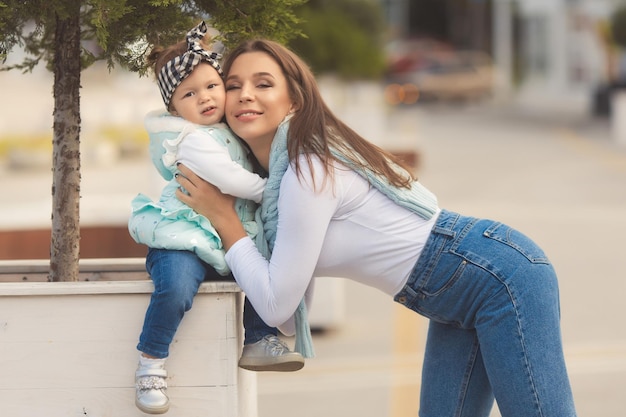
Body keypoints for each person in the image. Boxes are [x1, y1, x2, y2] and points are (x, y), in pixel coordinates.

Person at [174, 38, 579, 417]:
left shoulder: (308, 167)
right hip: (457, 294)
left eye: (263, 83)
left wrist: (224, 219)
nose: (245, 94)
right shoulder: (276, 184)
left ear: (294, 99)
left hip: (499, 276)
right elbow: (285, 311)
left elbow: (277, 304)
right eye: (233, 85)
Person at [127, 24, 304, 415]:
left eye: (211, 86)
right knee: (175, 288)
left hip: (217, 240)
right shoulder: (192, 139)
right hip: (182, 240)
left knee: (262, 271)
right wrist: (268, 189)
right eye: (189, 95)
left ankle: (260, 337)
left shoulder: (227, 130)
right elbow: (230, 180)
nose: (205, 98)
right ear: (175, 109)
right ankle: (151, 362)